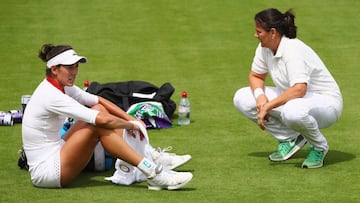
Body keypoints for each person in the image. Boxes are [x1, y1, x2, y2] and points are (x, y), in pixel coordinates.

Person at [21, 44, 193, 189]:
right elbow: (101, 120)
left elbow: (98, 100)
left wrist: (129, 118)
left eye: (76, 66)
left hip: (57, 151)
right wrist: (132, 125)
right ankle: (152, 171)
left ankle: (150, 156)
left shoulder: (61, 85)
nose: (74, 72)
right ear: (54, 69)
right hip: (48, 172)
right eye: (69, 67)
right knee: (97, 124)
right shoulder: (52, 95)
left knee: (98, 108)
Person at [233, 8, 343, 168]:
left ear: (272, 32)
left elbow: (300, 89)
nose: (255, 35)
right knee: (242, 98)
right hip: (296, 98)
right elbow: (255, 76)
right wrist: (260, 97)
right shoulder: (264, 48)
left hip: (326, 104)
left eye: (259, 32)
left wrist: (269, 106)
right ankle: (289, 138)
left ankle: (319, 146)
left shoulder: (292, 49)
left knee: (292, 111)